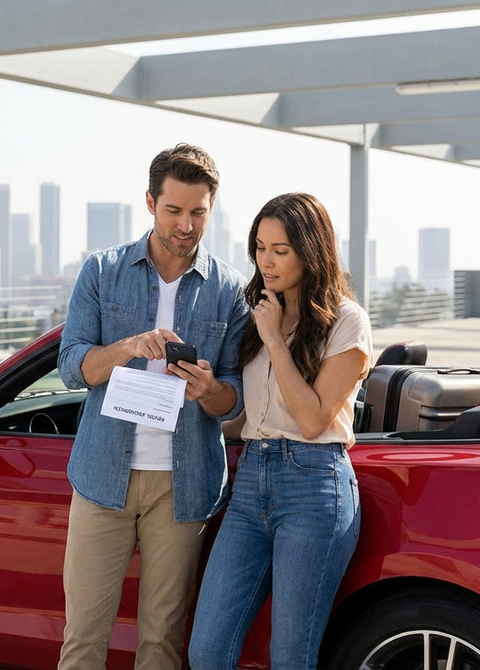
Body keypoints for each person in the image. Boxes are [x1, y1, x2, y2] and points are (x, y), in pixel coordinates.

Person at [56, 143, 250, 669]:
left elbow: (235, 401)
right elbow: (72, 364)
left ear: (212, 208)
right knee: (83, 638)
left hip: (182, 486)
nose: (186, 225)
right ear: (149, 201)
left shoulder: (230, 290)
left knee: (163, 643)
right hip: (102, 477)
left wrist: (209, 389)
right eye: (174, 210)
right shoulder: (102, 270)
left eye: (198, 212)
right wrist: (126, 348)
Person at [187, 192, 372, 670]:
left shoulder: (346, 322)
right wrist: (207, 389)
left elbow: (313, 419)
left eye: (280, 251)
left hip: (314, 486)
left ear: (310, 252)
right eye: (260, 247)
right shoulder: (257, 312)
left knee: (290, 657)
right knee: (206, 650)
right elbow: (245, 415)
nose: (265, 261)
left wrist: (273, 339)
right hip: (251, 481)